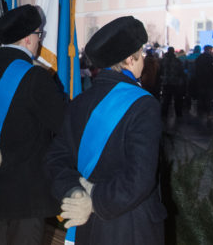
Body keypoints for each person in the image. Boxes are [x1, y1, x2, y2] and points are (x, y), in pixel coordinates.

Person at [45, 16, 166, 245]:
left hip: (87, 228)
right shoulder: (143, 104)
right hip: (131, 228)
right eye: (142, 54)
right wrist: (95, 201)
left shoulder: (79, 102)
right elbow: (140, 178)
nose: (144, 60)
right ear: (131, 59)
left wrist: (75, 192)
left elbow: (55, 159)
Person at [0, 4, 69, 245]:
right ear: (28, 39)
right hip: (26, 195)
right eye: (39, 35)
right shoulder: (34, 77)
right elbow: (65, 124)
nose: (39, 41)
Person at [159, 47, 185, 118]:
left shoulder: (163, 61)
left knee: (166, 100)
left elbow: (160, 71)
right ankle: (178, 114)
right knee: (177, 100)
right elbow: (181, 72)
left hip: (166, 82)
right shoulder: (177, 61)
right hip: (175, 83)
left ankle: (164, 115)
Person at [194, 45, 213, 118]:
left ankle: (200, 111)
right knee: (209, 97)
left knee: (201, 96)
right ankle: (209, 112)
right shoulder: (210, 58)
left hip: (200, 80)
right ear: (209, 50)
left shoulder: (200, 57)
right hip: (209, 81)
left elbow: (196, 69)